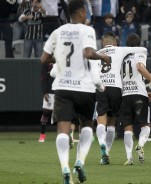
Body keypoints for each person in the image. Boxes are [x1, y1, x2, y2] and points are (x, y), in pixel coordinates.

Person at [40, 0, 110, 183]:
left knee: (63, 129)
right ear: (81, 13)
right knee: (86, 126)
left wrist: (60, 56)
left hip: (62, 87)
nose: (86, 14)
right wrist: (103, 56)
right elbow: (88, 53)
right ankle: (79, 161)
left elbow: (43, 58)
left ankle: (65, 167)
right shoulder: (87, 30)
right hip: (83, 88)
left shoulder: (58, 32)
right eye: (85, 11)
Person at [95, 32, 147, 165]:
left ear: (103, 42)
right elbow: (138, 49)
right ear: (115, 42)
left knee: (101, 120)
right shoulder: (119, 50)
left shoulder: (98, 52)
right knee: (112, 122)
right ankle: (106, 152)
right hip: (116, 88)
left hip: (101, 87)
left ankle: (102, 147)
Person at [121, 33, 151, 165]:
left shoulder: (122, 57)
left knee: (127, 128)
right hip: (138, 94)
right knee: (145, 125)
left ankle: (129, 157)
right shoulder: (140, 52)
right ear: (139, 44)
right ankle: (140, 145)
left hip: (125, 94)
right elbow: (140, 68)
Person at [38, 63, 54, 143]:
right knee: (46, 113)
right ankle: (42, 135)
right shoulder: (47, 62)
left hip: (60, 90)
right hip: (49, 92)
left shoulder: (62, 58)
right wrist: (44, 92)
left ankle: (64, 135)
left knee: (63, 115)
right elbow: (43, 77)